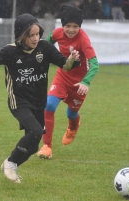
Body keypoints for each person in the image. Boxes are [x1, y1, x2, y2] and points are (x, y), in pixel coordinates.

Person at [0, 13, 80, 183]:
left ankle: (10, 162)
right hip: (19, 102)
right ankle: (11, 163)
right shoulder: (10, 51)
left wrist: (72, 59)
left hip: (39, 102)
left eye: (37, 34)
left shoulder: (45, 48)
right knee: (35, 131)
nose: (35, 38)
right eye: (31, 35)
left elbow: (65, 65)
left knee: (33, 147)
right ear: (21, 35)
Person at [36, 5, 99, 159]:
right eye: (67, 26)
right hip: (63, 77)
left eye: (75, 26)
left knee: (71, 113)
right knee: (49, 105)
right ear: (62, 25)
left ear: (80, 26)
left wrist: (86, 82)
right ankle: (47, 146)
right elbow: (45, 45)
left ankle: (73, 126)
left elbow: (95, 64)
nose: (71, 29)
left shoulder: (83, 40)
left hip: (79, 84)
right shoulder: (57, 33)